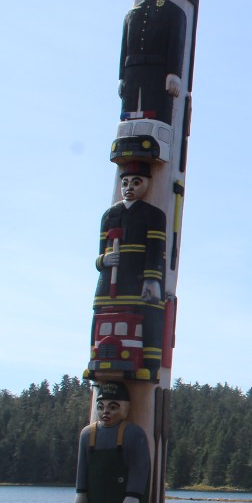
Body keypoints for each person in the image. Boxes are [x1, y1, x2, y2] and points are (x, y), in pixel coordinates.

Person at [94, 161, 167, 376]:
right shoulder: (109, 216)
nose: (129, 188)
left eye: (136, 182)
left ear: (147, 183)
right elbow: (100, 252)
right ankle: (96, 354)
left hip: (138, 280)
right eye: (125, 182)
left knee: (149, 317)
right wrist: (104, 261)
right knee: (100, 318)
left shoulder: (153, 215)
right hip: (110, 285)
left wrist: (152, 279)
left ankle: (149, 362)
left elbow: (156, 249)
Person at [119, 0, 186, 123]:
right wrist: (122, 77)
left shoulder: (173, 12)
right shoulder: (132, 14)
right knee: (129, 112)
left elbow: (175, 44)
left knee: (155, 109)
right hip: (132, 70)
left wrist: (174, 73)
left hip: (158, 70)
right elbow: (124, 49)